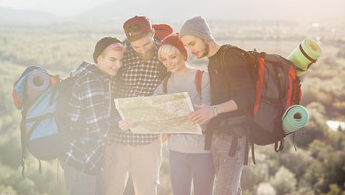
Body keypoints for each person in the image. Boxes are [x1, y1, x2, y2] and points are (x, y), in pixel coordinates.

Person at [179, 16, 255, 195]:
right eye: (187, 47)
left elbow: (248, 95)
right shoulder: (212, 61)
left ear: (205, 37)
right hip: (218, 137)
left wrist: (214, 110)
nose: (190, 51)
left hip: (233, 139)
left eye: (192, 43)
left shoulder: (230, 55)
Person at [104, 16, 169, 195]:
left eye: (146, 45)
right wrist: (106, 139)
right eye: (136, 47)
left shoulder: (164, 54)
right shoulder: (122, 54)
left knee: (148, 189)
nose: (142, 50)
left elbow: (171, 90)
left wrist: (168, 125)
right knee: (111, 188)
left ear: (152, 34)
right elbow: (108, 94)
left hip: (149, 138)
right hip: (119, 136)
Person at [59, 37, 124, 195]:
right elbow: (99, 127)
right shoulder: (92, 82)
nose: (118, 65)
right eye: (112, 59)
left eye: (120, 60)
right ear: (98, 58)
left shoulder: (100, 79)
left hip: (91, 160)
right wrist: (122, 123)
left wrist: (106, 149)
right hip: (80, 161)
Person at [152, 33, 215, 195]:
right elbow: (153, 110)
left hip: (202, 152)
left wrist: (190, 117)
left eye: (172, 56)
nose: (169, 63)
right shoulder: (164, 85)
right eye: (164, 60)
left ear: (183, 54)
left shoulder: (202, 78)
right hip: (176, 152)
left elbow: (208, 116)